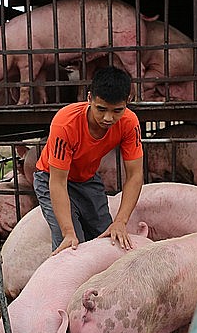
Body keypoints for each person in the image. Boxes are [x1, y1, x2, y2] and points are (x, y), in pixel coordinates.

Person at [33, 65, 144, 255]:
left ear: (128, 101)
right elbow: (58, 182)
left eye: (117, 111)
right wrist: (68, 232)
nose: (108, 118)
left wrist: (121, 221)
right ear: (89, 98)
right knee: (71, 246)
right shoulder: (65, 123)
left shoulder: (129, 123)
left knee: (107, 237)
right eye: (101, 109)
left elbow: (135, 175)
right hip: (51, 177)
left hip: (87, 179)